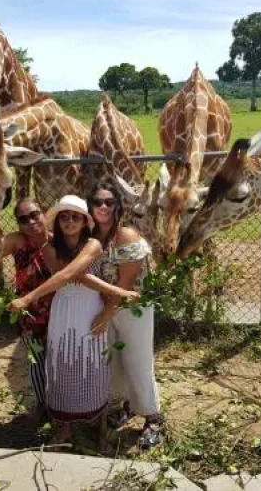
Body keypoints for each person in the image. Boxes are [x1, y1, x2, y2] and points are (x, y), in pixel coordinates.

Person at [9, 195, 139, 449]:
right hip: (64, 310)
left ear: (84, 221)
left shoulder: (93, 244)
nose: (70, 221)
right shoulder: (48, 248)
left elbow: (75, 273)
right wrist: (118, 291)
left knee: (94, 364)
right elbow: (72, 275)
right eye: (65, 217)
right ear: (58, 222)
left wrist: (29, 297)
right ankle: (64, 430)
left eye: (76, 217)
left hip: (90, 308)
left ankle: (100, 430)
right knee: (63, 364)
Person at [87, 182, 163, 449]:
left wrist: (107, 312)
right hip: (104, 307)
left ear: (118, 207)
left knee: (138, 360)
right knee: (114, 360)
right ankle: (124, 407)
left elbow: (126, 282)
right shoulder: (91, 238)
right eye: (97, 202)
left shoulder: (127, 236)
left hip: (132, 307)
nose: (103, 207)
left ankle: (153, 417)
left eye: (109, 202)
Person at [0, 198, 52, 421]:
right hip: (30, 312)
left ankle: (62, 406)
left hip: (59, 311)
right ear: (18, 224)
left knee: (59, 359)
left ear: (44, 213)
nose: (31, 222)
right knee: (36, 359)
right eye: (23, 219)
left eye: (35, 214)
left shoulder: (57, 240)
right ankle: (42, 404)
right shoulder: (18, 241)